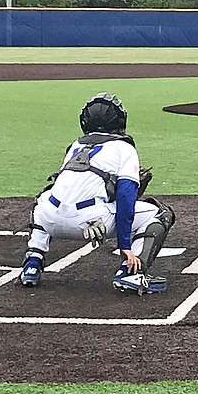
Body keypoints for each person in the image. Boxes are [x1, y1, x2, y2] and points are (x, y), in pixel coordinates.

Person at [18, 92, 175, 295]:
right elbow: (126, 196)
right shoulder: (124, 148)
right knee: (160, 213)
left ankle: (33, 261)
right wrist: (124, 245)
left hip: (49, 220)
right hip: (92, 222)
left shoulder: (76, 146)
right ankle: (130, 273)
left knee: (45, 198)